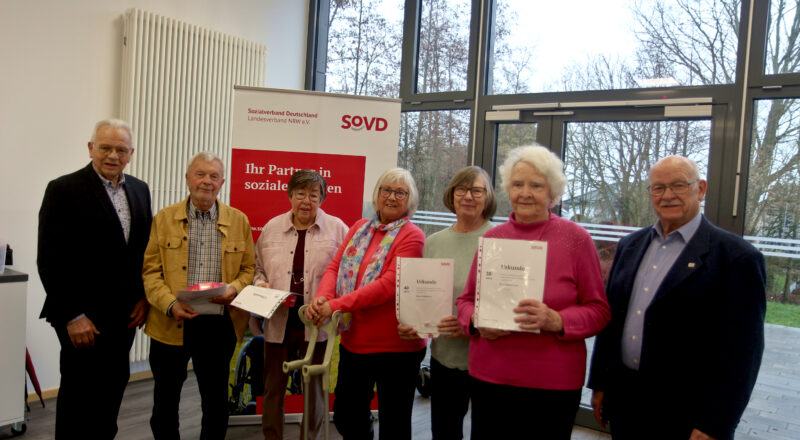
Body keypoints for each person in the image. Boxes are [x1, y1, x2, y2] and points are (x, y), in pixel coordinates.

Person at [588, 156, 766, 440]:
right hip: (627, 403)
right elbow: (612, 325)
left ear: (701, 189)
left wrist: (717, 423)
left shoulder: (737, 258)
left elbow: (743, 353)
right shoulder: (629, 246)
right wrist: (600, 384)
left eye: (679, 185)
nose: (668, 195)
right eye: (658, 188)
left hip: (688, 414)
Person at [455, 144, 611, 439]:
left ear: (553, 193)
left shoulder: (576, 239)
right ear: (507, 190)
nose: (525, 193)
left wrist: (558, 320)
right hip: (491, 378)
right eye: (517, 184)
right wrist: (476, 321)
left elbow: (599, 310)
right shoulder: (493, 238)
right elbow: (465, 301)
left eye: (536, 185)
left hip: (552, 383)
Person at [37, 119, 152, 439]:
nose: (112, 155)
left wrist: (144, 298)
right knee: (77, 399)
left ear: (131, 153)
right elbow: (49, 260)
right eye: (105, 147)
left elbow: (144, 252)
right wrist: (72, 315)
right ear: (91, 148)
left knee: (111, 395)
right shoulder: (63, 189)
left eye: (120, 149)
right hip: (80, 318)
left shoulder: (141, 190)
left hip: (125, 316)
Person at [305, 168, 426, 439]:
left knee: (395, 424)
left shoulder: (412, 236)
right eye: (386, 190)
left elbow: (386, 286)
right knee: (347, 415)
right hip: (355, 342)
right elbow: (335, 266)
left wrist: (336, 306)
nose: (392, 197)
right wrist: (324, 297)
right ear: (377, 195)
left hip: (396, 348)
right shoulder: (361, 228)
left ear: (410, 200)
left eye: (400, 192)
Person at [142, 152, 255, 440]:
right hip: (171, 323)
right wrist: (170, 304)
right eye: (200, 174)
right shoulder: (164, 219)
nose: (206, 181)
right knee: (165, 401)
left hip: (219, 323)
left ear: (222, 182)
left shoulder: (239, 220)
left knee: (216, 402)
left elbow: (248, 269)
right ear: (188, 178)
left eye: (213, 176)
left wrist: (234, 289)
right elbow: (150, 272)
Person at [397, 166, 496, 439]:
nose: (468, 196)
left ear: (488, 197)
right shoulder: (434, 243)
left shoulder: (500, 240)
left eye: (477, 190)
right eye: (461, 190)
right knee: (444, 431)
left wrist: (469, 324)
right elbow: (424, 298)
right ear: (452, 195)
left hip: (489, 359)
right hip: (444, 357)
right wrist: (413, 325)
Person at [251, 170, 348, 440]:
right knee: (273, 388)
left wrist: (332, 303)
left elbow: (349, 275)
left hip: (317, 323)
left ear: (322, 198)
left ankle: (311, 437)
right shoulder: (271, 228)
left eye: (313, 195)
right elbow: (258, 270)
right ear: (290, 195)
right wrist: (260, 285)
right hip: (278, 320)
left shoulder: (339, 230)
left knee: (314, 389)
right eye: (300, 194)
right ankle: (273, 437)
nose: (306, 200)